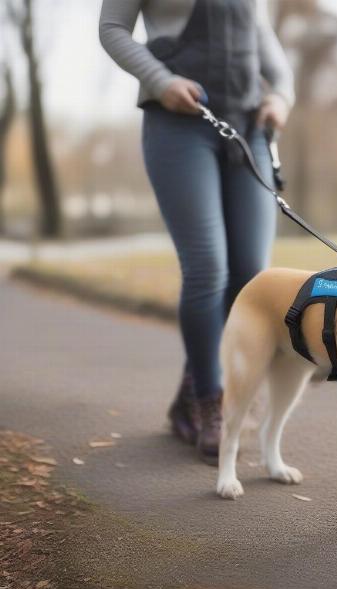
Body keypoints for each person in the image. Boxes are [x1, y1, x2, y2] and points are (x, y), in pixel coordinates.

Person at [99, 0, 294, 462]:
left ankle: (193, 391)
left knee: (250, 276)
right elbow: (112, 29)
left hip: (249, 130)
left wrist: (281, 97)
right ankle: (212, 400)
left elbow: (269, 49)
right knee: (208, 267)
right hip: (179, 128)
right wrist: (159, 80)